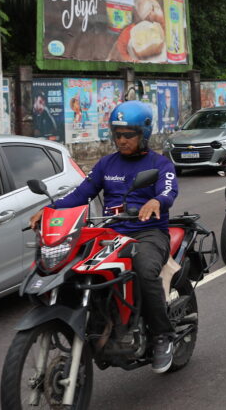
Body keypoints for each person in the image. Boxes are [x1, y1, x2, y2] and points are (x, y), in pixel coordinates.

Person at [28, 101, 179, 374]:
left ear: (144, 134)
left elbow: (168, 191)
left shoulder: (160, 163)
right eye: (117, 134)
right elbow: (80, 194)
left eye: (128, 135)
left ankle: (162, 336)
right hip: (108, 233)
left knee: (145, 272)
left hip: (147, 233)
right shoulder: (106, 163)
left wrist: (157, 201)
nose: (121, 140)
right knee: (68, 267)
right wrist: (50, 209)